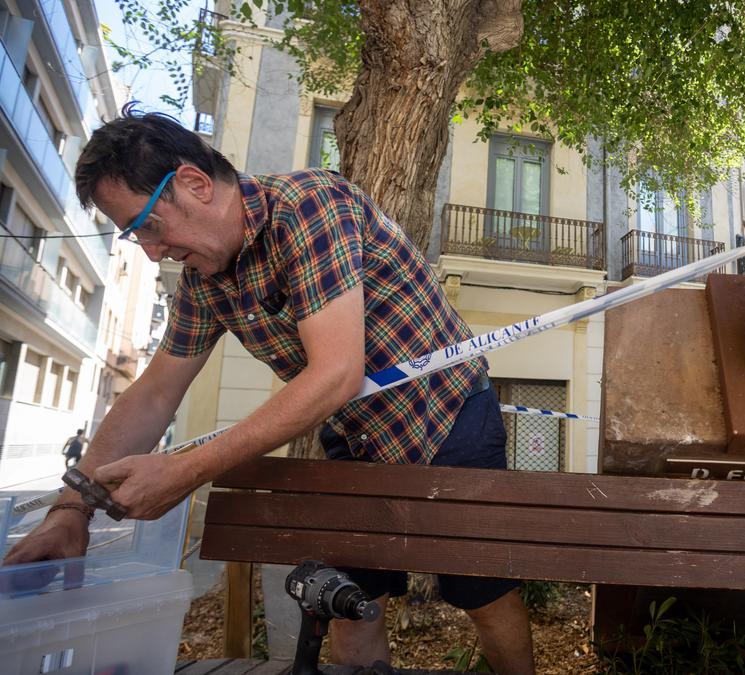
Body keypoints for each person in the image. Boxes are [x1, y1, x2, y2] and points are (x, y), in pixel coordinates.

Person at [1, 106, 534, 672]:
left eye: (148, 226)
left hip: (449, 413)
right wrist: (71, 509)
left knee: (484, 597)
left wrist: (187, 469)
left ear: (195, 184)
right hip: (356, 436)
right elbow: (154, 395)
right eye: (134, 237)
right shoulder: (205, 279)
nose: (151, 252)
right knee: (351, 605)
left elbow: (335, 374)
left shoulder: (309, 206)